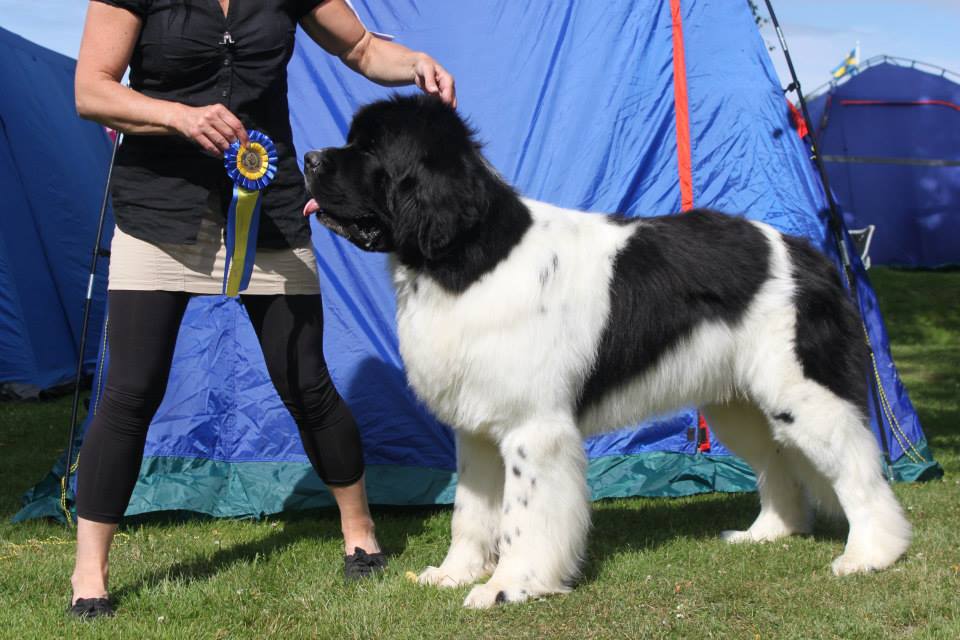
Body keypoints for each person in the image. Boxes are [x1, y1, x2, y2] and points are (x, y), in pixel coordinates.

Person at [69, 0, 456, 618]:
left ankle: (360, 534)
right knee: (131, 391)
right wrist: (177, 116)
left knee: (307, 384)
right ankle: (90, 574)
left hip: (267, 208)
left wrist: (414, 62)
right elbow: (92, 90)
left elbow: (360, 48)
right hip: (158, 211)